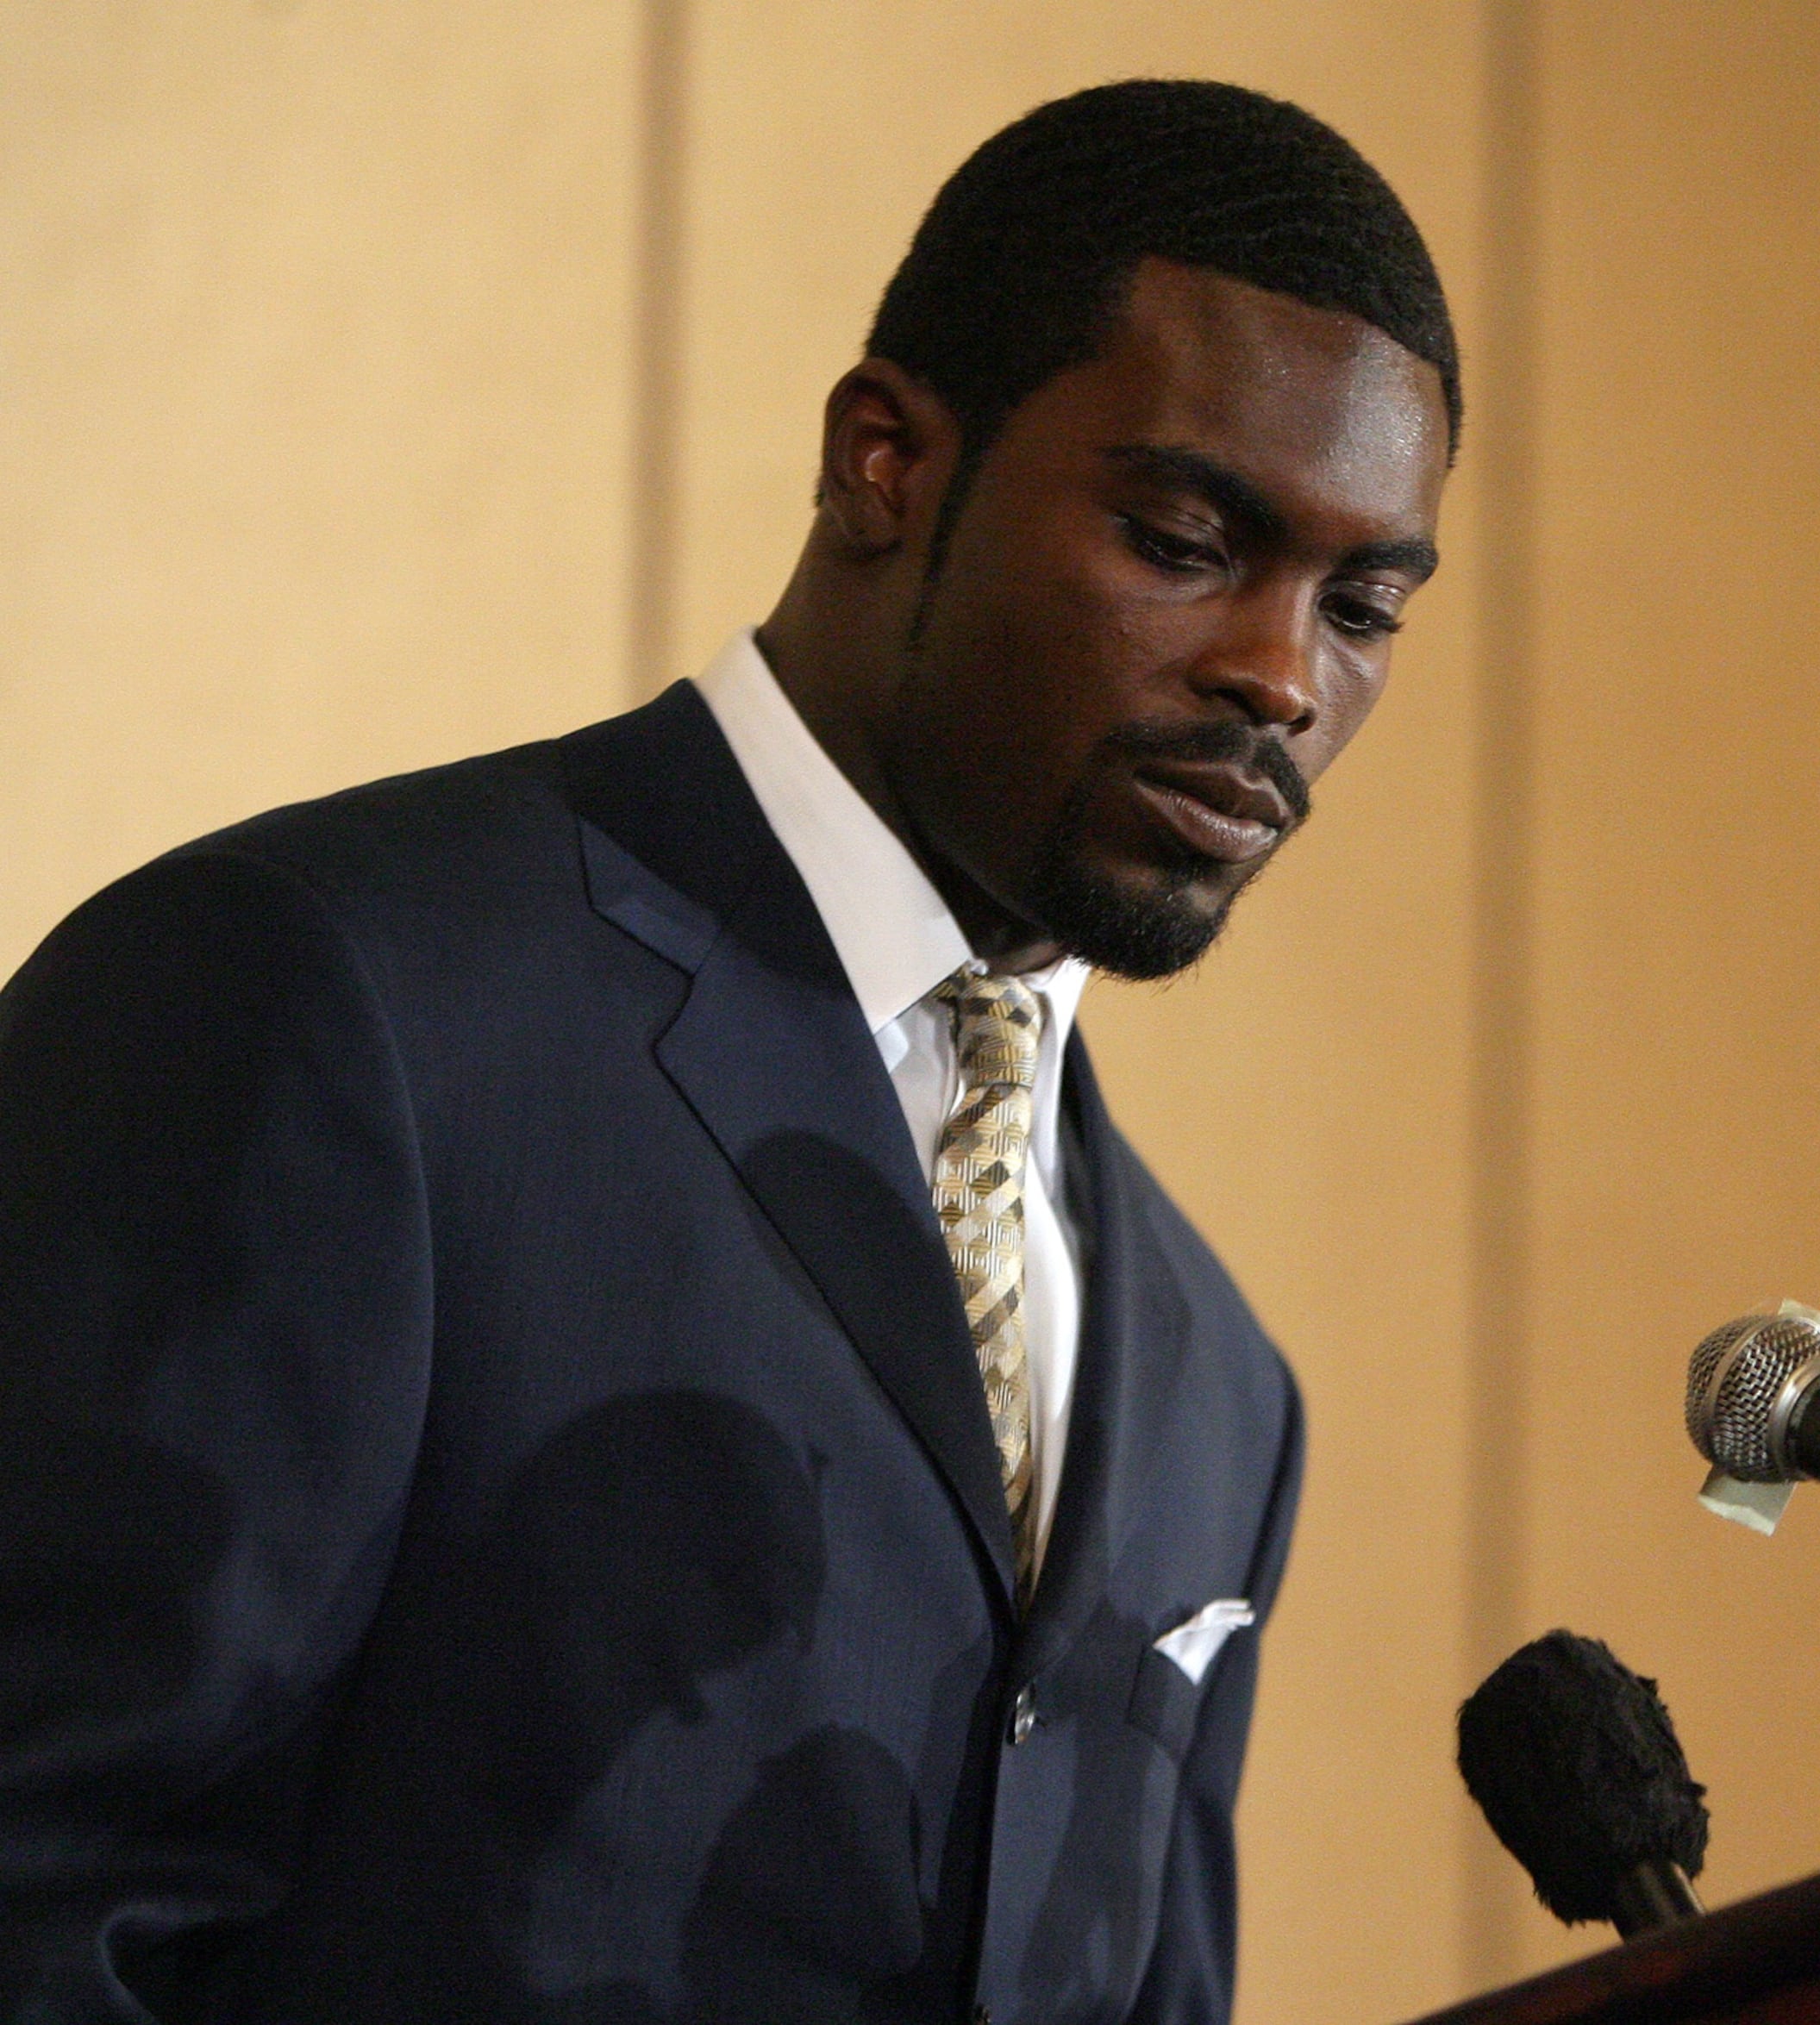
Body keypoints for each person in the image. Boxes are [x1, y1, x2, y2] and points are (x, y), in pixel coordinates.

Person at [0, 78, 1454, 2024]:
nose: (1285, 675)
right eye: (1191, 537)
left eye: (1363, 605)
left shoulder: (1215, 1386)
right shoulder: (332, 1003)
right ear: (886, 465)